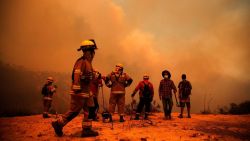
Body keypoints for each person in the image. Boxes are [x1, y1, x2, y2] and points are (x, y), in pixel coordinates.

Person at [52, 39, 98, 137]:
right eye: (93, 51)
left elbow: (89, 76)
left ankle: (87, 129)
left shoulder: (88, 63)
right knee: (74, 111)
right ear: (89, 51)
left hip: (86, 92)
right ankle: (58, 124)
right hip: (80, 92)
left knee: (89, 109)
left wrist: (96, 76)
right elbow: (77, 74)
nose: (94, 54)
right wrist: (77, 87)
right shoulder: (81, 62)